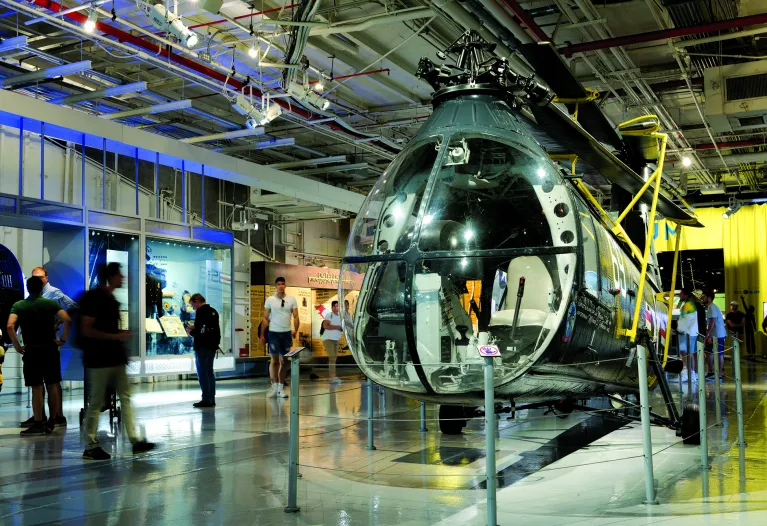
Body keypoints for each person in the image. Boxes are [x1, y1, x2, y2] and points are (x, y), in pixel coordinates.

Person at [79, 262, 155, 460]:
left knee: (126, 398)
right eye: (119, 275)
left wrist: (120, 337)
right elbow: (86, 329)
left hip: (114, 358)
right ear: (111, 277)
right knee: (96, 402)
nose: (122, 278)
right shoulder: (93, 298)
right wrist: (115, 337)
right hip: (98, 359)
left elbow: (107, 329)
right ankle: (90, 444)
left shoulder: (111, 300)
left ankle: (135, 440)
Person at [6, 276, 71, 436]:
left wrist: (16, 345)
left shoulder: (19, 306)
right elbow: (68, 320)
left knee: (36, 388)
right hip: (50, 349)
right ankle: (53, 421)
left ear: (28, 288)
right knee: (53, 385)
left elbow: (9, 326)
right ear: (42, 288)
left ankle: (38, 423)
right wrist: (62, 340)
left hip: (32, 350)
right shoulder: (50, 304)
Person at [21, 266, 78, 429]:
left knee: (51, 382)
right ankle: (41, 416)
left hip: (48, 342)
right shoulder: (32, 296)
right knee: (39, 383)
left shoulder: (53, 292)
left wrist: (58, 326)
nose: (36, 280)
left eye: (39, 277)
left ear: (46, 278)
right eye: (34, 278)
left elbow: (72, 307)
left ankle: (57, 416)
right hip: (36, 342)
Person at [260, 277, 299, 399]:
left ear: (285, 286)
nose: (281, 286)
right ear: (275, 286)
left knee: (284, 361)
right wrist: (262, 335)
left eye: (283, 284)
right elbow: (265, 318)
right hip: (273, 333)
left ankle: (281, 388)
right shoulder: (270, 300)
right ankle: (274, 385)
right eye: (279, 284)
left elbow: (296, 316)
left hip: (286, 333)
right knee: (274, 360)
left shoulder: (291, 299)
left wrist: (295, 330)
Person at [186, 293, 220, 408]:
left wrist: (190, 332)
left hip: (202, 347)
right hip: (211, 346)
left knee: (203, 372)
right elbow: (208, 329)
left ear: (197, 301)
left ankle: (206, 399)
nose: (193, 308)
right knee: (209, 372)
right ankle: (211, 398)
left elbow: (200, 332)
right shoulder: (213, 311)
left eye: (193, 305)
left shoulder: (201, 312)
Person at [701, 289, 727, 380]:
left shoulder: (712, 307)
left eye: (704, 297)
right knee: (708, 352)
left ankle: (719, 373)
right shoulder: (711, 307)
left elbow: (712, 321)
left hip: (717, 335)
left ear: (709, 298)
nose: (702, 298)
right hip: (714, 334)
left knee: (719, 353)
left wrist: (707, 334)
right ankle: (711, 371)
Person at [676, 287, 699, 383]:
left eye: (681, 294)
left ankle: (689, 374)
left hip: (688, 333)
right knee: (688, 354)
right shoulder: (689, 304)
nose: (680, 295)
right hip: (690, 332)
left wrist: (680, 329)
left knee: (686, 354)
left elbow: (688, 320)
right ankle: (692, 374)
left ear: (685, 294)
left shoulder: (688, 305)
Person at [322, 301, 343, 385]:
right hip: (328, 339)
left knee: (334, 358)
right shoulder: (329, 315)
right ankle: (332, 377)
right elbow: (326, 325)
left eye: (337, 306)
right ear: (332, 307)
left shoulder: (340, 317)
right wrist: (338, 327)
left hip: (336, 339)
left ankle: (333, 376)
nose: (336, 308)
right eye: (334, 306)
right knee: (332, 358)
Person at [725, 300, 746, 365]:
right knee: (733, 347)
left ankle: (737, 359)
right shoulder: (729, 315)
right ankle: (734, 359)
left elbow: (742, 323)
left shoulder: (741, 314)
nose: (732, 306)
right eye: (731, 305)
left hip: (739, 333)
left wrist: (734, 325)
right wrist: (738, 325)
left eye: (733, 305)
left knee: (739, 347)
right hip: (733, 333)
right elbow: (731, 324)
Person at [740, 296, 757, 361]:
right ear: (752, 309)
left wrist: (742, 299)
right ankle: (752, 351)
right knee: (751, 340)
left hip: (747, 328)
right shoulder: (751, 314)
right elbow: (754, 322)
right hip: (750, 328)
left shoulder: (748, 313)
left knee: (748, 340)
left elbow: (744, 305)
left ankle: (750, 352)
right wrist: (755, 328)